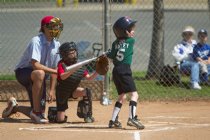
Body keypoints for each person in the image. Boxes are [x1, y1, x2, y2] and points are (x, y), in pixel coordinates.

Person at [1, 15, 63, 123]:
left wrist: (52, 89)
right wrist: (55, 71)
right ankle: (36, 112)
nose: (55, 29)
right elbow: (36, 65)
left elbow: (55, 68)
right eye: (52, 26)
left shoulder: (56, 44)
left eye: (57, 26)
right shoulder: (36, 41)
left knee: (41, 112)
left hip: (40, 77)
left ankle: (15, 107)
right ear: (44, 27)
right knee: (40, 73)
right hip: (24, 72)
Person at [106, 16, 145, 129]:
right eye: (131, 29)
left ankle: (113, 120)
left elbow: (112, 56)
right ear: (126, 32)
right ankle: (132, 118)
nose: (133, 31)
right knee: (134, 94)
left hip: (116, 71)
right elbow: (124, 45)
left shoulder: (114, 43)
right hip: (124, 69)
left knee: (122, 96)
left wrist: (108, 53)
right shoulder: (131, 40)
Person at [55, 42, 98, 123]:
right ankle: (54, 113)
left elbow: (89, 78)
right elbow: (62, 76)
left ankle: (88, 115)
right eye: (70, 53)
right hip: (62, 92)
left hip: (73, 90)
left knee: (87, 92)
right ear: (64, 55)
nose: (73, 55)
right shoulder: (62, 64)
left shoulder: (79, 64)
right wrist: (74, 69)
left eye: (74, 52)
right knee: (60, 120)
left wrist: (98, 71)